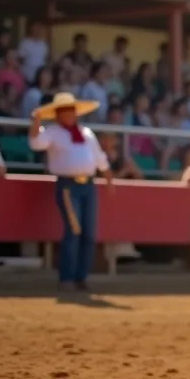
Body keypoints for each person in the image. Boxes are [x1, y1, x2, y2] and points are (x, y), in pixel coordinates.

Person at [28, 91, 113, 291]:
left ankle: (80, 277)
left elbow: (99, 157)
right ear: (58, 114)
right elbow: (35, 143)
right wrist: (36, 122)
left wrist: (108, 177)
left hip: (88, 184)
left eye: (71, 111)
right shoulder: (53, 132)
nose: (69, 114)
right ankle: (67, 277)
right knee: (74, 230)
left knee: (89, 233)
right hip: (68, 185)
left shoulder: (86, 133)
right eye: (65, 111)